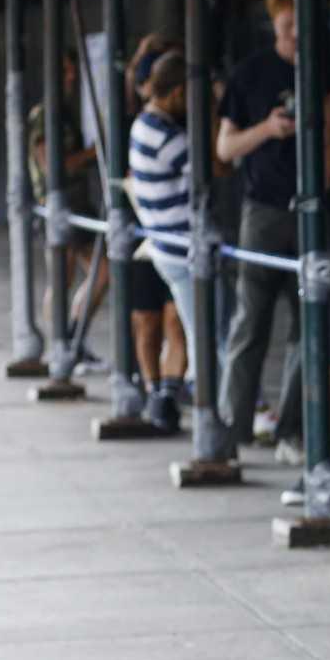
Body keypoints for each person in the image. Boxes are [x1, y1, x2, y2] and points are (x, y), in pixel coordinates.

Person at [216, 0, 330, 472]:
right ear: (273, 22)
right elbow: (225, 149)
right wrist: (268, 129)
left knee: (307, 327)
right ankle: (229, 431)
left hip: (318, 208)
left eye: (304, 24)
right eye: (288, 24)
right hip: (264, 210)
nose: (296, 35)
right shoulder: (250, 74)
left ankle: (292, 429)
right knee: (249, 323)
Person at [125, 50, 193, 434]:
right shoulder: (156, 129)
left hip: (166, 240)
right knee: (148, 321)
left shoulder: (162, 126)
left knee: (176, 322)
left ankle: (167, 395)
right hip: (155, 238)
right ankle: (156, 391)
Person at [29, 48, 107, 369]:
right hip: (58, 207)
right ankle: (58, 345)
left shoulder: (66, 111)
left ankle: (74, 336)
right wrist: (92, 153)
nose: (72, 77)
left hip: (79, 207)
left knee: (104, 272)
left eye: (74, 70)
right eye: (66, 71)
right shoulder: (45, 114)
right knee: (61, 279)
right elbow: (51, 167)